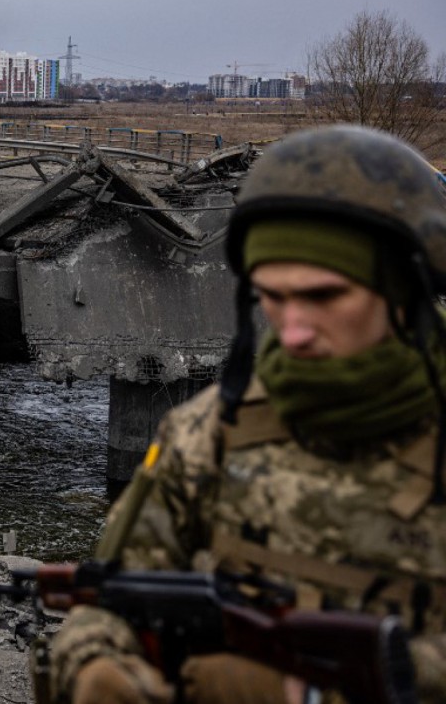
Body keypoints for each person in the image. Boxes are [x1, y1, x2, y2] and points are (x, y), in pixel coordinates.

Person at [48, 126, 446, 704]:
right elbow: (113, 595)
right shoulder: (209, 433)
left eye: (324, 296)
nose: (294, 328)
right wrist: (97, 668)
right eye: (272, 296)